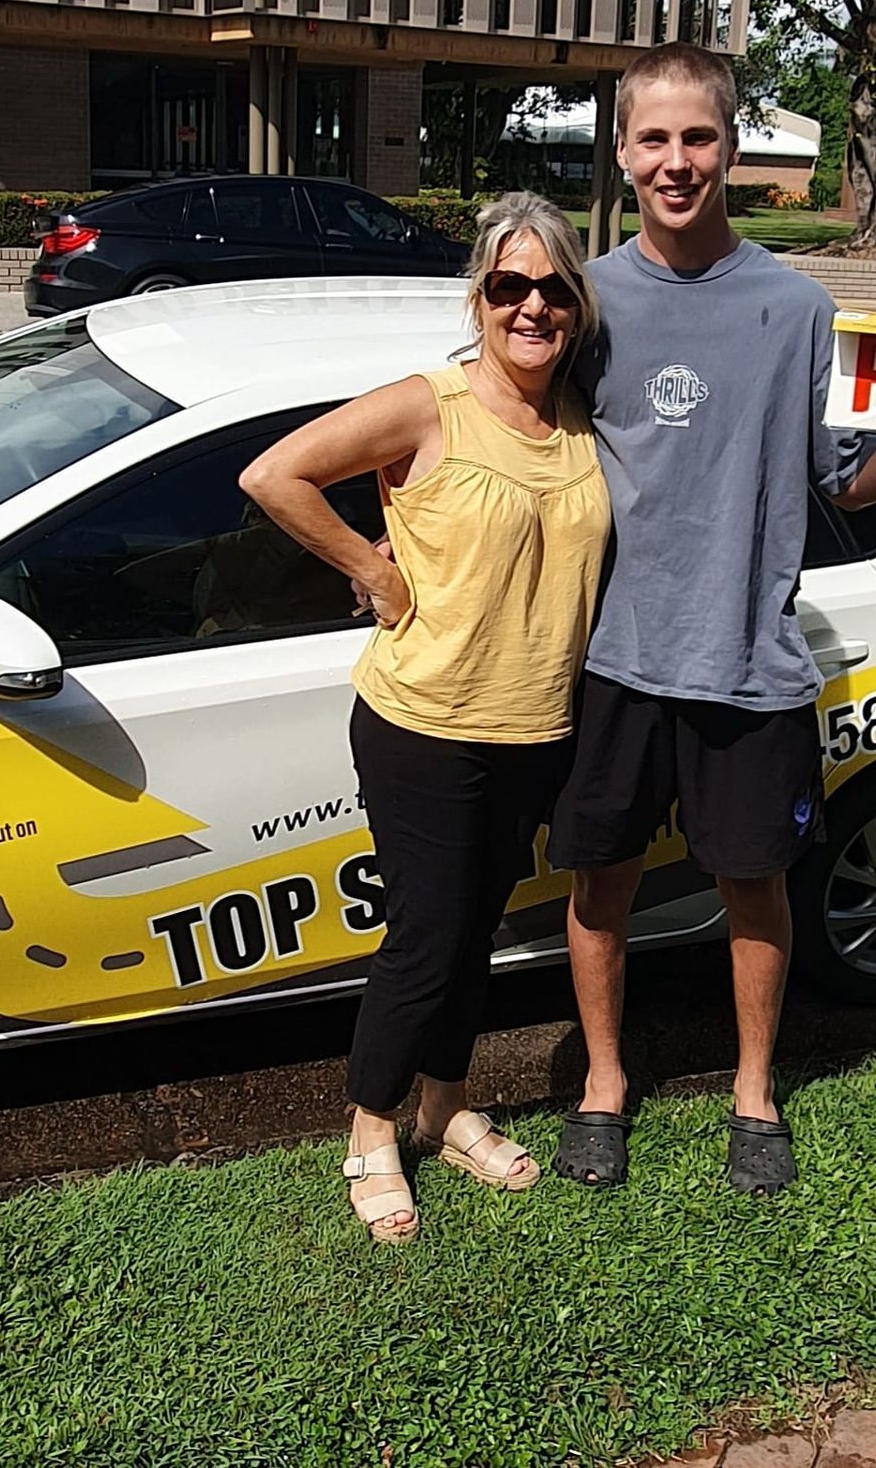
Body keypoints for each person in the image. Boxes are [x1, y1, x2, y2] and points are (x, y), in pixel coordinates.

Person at [546, 43, 876, 1196]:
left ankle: (752, 1094)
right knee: (601, 886)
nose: (676, 162)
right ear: (624, 153)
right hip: (613, 664)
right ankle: (602, 1085)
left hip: (748, 664)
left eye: (699, 138)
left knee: (755, 887)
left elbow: (843, 487)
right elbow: (491, 432)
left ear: (734, 150)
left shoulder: (797, 309)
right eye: (654, 139)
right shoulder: (584, 300)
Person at [240, 192, 608, 1243]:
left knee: (471, 936)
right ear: (480, 295)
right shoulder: (430, 403)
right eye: (508, 286)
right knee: (425, 938)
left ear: (575, 304)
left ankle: (447, 1106)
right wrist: (369, 567)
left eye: (552, 289)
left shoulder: (579, 418)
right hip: (426, 726)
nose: (531, 307)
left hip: (537, 727)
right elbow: (276, 474)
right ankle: (371, 1128)